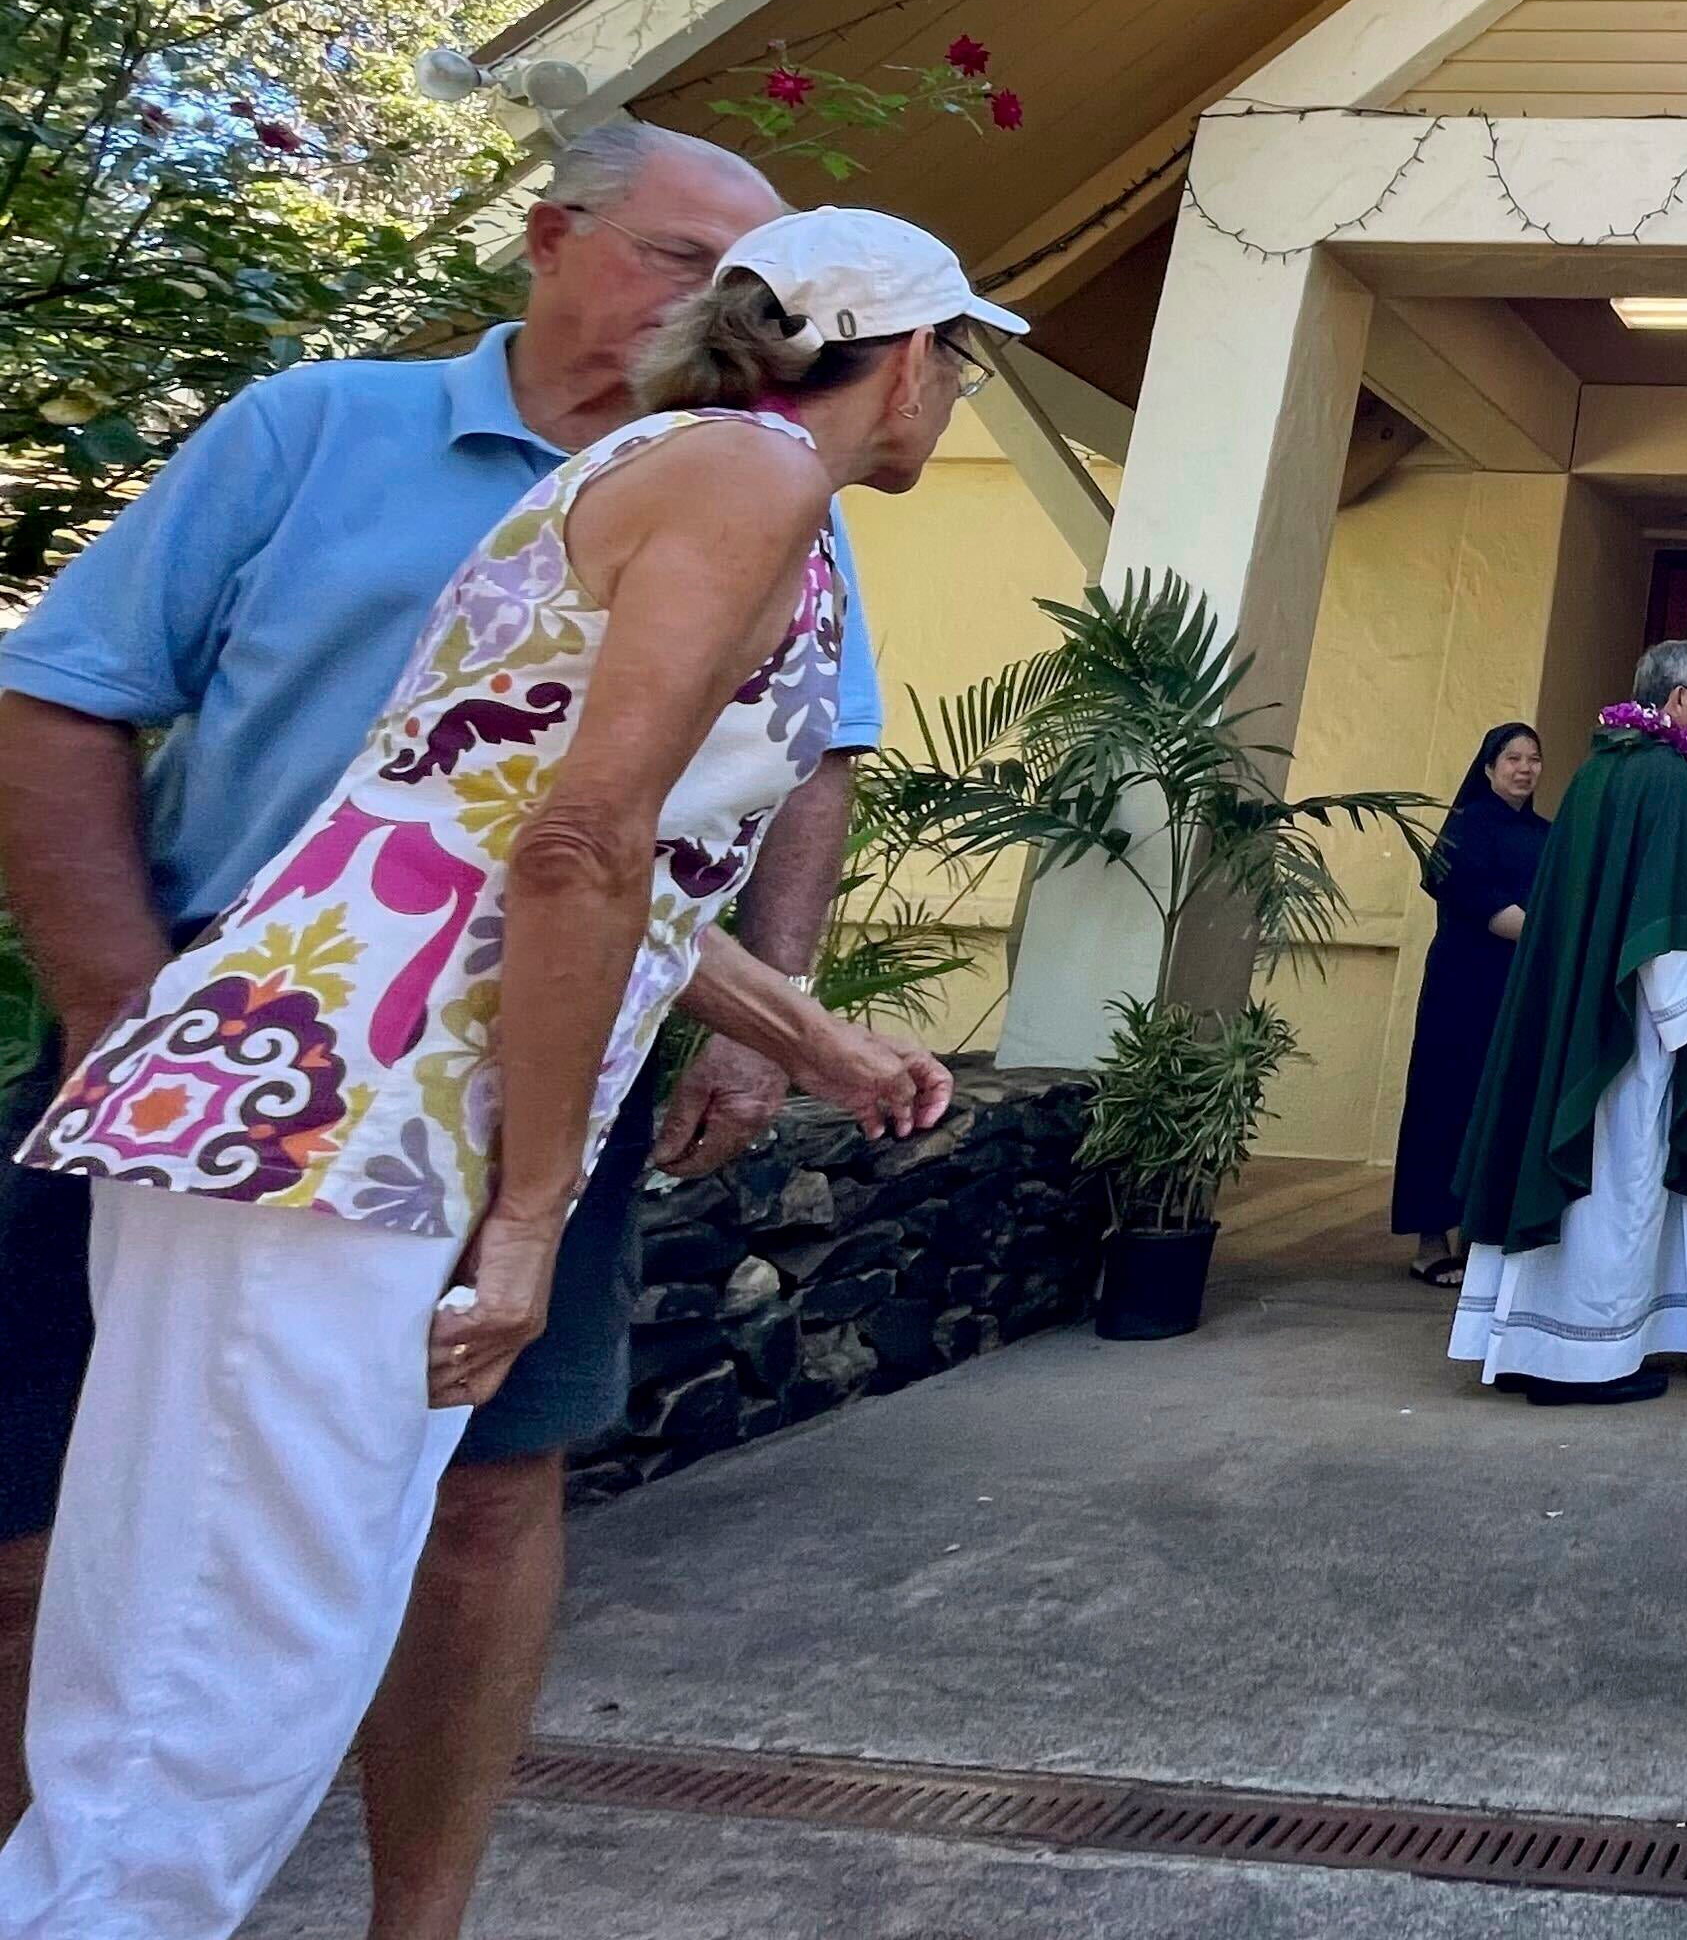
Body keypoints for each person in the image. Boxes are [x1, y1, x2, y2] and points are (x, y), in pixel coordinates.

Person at [0, 207, 979, 1937]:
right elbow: (574, 843)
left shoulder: (707, 476)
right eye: (963, 353)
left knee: (228, 1652)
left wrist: (807, 1031)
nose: (959, 389)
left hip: (337, 1105)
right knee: (207, 1685)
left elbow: (560, 836)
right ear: (902, 355)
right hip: (340, 1112)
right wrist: (529, 1216)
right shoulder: (744, 481)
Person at [1443, 643, 1687, 1406]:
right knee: (1620, 1180)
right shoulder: (1670, 780)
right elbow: (1665, 913)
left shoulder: (1599, 772)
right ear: (1679, 701)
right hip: (1631, 1024)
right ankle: (1582, 1360)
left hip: (1577, 1008)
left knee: (1584, 1172)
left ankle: (1525, 1341)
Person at [1391, 724, 1551, 1285]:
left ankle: (1483, 1236)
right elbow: (1478, 901)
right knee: (1446, 1101)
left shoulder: (1546, 833)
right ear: (1487, 767)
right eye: (1513, 758)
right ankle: (1431, 1240)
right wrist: (1550, 940)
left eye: (1534, 759)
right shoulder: (1465, 827)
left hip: (1519, 987)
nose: (1525, 769)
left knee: (1503, 1103)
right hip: (1463, 989)